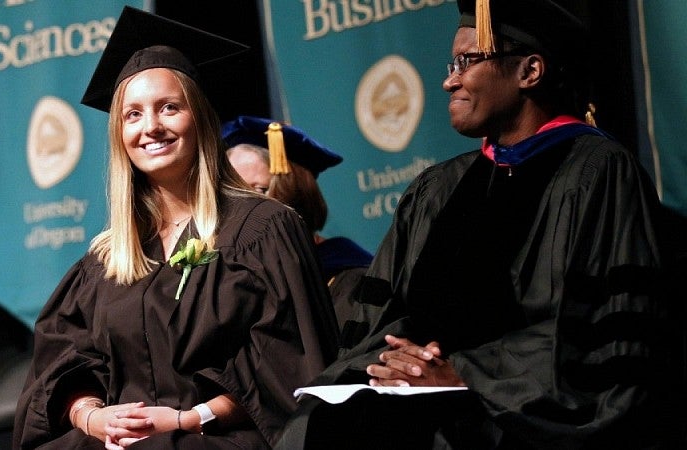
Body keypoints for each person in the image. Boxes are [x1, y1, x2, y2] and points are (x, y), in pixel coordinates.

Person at [275, 0, 678, 448]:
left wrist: (462, 374)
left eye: (467, 62)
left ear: (530, 71)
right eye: (453, 64)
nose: (449, 80)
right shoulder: (436, 189)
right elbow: (381, 318)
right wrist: (400, 364)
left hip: (518, 420)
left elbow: (605, 336)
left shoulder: (598, 174)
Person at [12, 6, 339, 450]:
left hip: (221, 437)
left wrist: (190, 417)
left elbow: (291, 367)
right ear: (118, 134)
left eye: (169, 107)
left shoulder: (263, 229)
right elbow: (63, 362)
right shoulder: (107, 259)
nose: (152, 127)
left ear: (199, 118)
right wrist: (93, 418)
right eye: (133, 114)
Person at [222, 116, 374, 331]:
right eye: (232, 192)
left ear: (294, 193)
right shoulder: (230, 284)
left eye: (259, 190)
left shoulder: (348, 276)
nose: (242, 205)